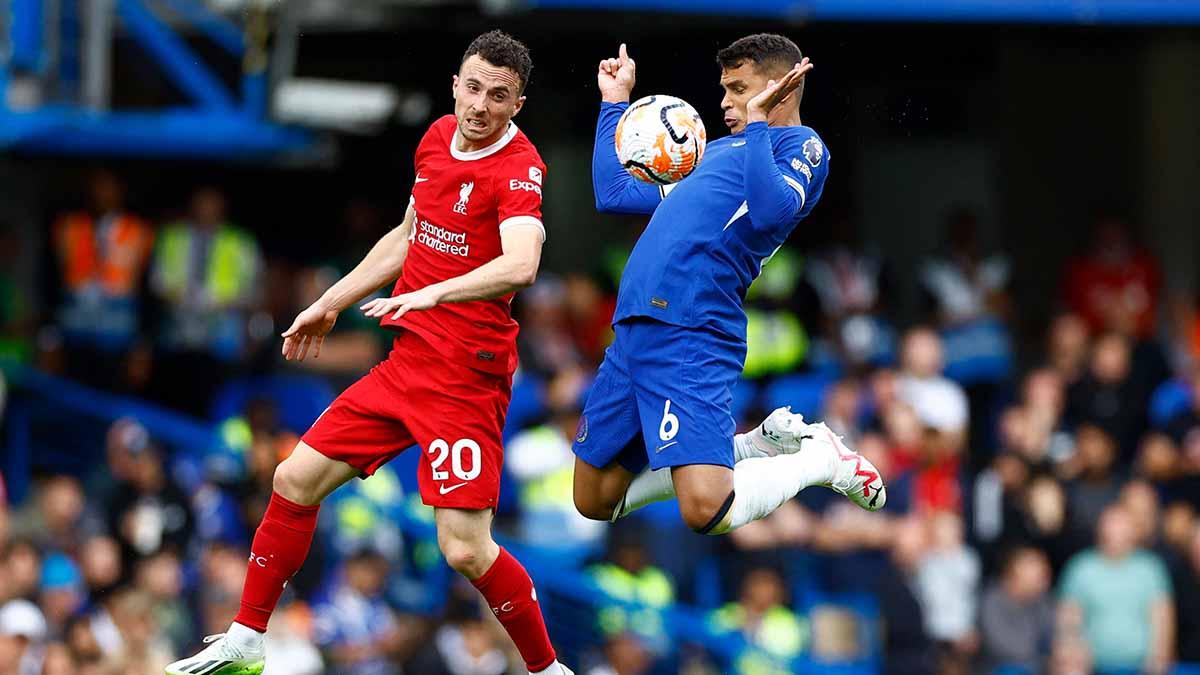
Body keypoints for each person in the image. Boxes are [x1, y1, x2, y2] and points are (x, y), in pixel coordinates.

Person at [166, 30, 571, 675]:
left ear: (516, 104)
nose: (479, 106)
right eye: (472, 88)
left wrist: (431, 296)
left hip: (466, 379)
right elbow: (410, 234)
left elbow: (521, 265)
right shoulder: (437, 139)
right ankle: (247, 636)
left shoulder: (518, 168)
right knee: (293, 478)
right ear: (456, 85)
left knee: (465, 550)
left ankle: (547, 669)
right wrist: (330, 299)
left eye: (498, 96)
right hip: (408, 364)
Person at [572, 34, 885, 540]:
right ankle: (743, 449)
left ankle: (820, 460)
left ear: (785, 85)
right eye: (724, 89)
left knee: (705, 509)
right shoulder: (715, 150)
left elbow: (769, 210)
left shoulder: (803, 147)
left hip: (692, 330)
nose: (724, 102)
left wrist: (760, 122)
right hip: (633, 332)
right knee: (593, 498)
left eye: (738, 88)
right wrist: (614, 102)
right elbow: (614, 193)